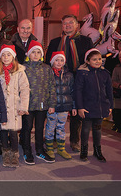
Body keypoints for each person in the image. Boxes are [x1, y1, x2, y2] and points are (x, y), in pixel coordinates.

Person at [45, 14, 94, 152]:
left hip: (79, 80)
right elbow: (48, 62)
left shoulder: (86, 41)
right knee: (57, 109)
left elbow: (90, 61)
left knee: (77, 111)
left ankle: (74, 141)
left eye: (70, 23)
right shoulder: (55, 42)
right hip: (58, 80)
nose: (67, 25)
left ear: (77, 25)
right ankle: (54, 139)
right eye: (65, 23)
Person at [75, 48, 113, 162]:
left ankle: (97, 151)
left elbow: (109, 91)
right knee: (85, 129)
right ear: (87, 61)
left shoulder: (105, 73)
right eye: (94, 59)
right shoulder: (82, 73)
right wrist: (80, 107)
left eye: (100, 59)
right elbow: (78, 91)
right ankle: (84, 151)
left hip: (100, 107)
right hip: (87, 107)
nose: (98, 61)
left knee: (97, 129)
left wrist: (110, 105)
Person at [22, 40, 56, 165]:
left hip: (42, 104)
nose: (36, 55)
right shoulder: (23, 68)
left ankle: (40, 150)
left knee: (40, 128)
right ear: (28, 54)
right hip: (27, 105)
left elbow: (52, 86)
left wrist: (52, 104)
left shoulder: (47, 69)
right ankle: (27, 150)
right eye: (33, 52)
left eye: (38, 52)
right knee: (27, 127)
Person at [0, 44, 29, 168]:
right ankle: (6, 152)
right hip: (1, 106)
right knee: (3, 132)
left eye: (8, 54)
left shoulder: (19, 71)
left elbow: (25, 89)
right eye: (3, 55)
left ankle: (15, 153)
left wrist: (23, 107)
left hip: (15, 107)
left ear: (13, 56)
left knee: (14, 133)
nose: (5, 57)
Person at [45, 51, 76, 160]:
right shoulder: (48, 74)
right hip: (52, 107)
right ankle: (49, 148)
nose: (59, 62)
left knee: (61, 128)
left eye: (61, 60)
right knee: (50, 127)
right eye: (56, 60)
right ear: (52, 61)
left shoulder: (69, 75)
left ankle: (61, 148)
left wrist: (74, 106)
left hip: (64, 107)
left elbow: (72, 91)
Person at [112, 53, 121, 133]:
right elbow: (113, 81)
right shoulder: (117, 68)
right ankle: (117, 125)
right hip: (119, 93)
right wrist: (119, 85)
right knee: (117, 112)